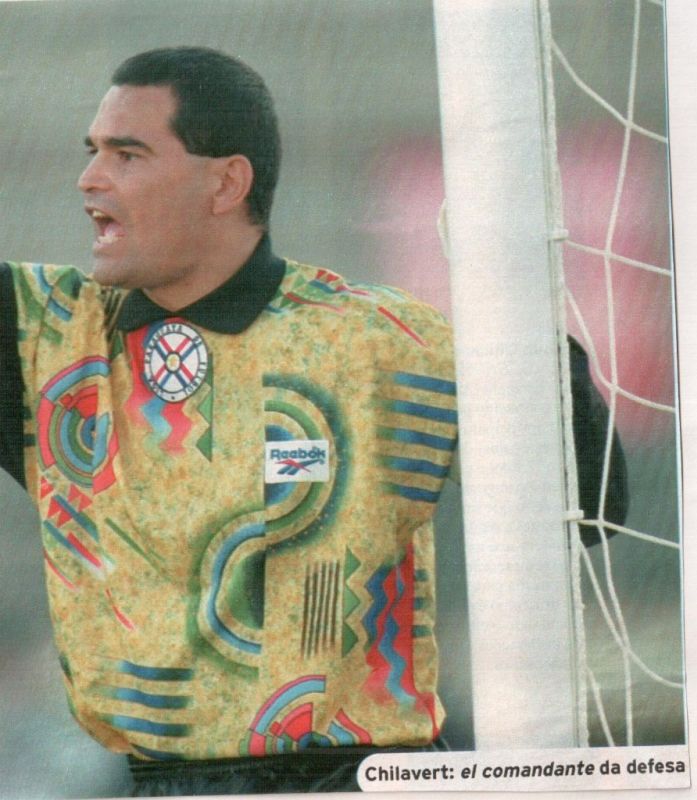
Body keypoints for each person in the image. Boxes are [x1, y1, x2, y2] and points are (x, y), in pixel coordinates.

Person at [0, 47, 626, 796]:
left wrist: (526, 324)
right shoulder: (45, 336)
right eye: (92, 152)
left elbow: (591, 508)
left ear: (226, 182)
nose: (89, 179)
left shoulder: (383, 342)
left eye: (127, 155)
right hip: (154, 783)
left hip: (358, 780)